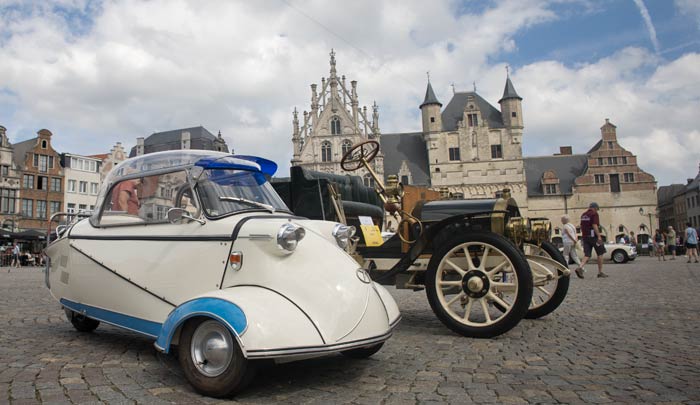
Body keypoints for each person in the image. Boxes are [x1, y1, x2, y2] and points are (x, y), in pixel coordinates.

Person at [574, 202, 607, 278]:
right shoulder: (594, 214)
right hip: (594, 237)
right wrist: (599, 236)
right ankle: (600, 272)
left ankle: (580, 267)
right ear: (595, 208)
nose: (597, 211)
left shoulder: (583, 215)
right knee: (600, 253)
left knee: (587, 254)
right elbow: (594, 225)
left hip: (585, 237)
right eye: (597, 209)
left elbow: (582, 225)